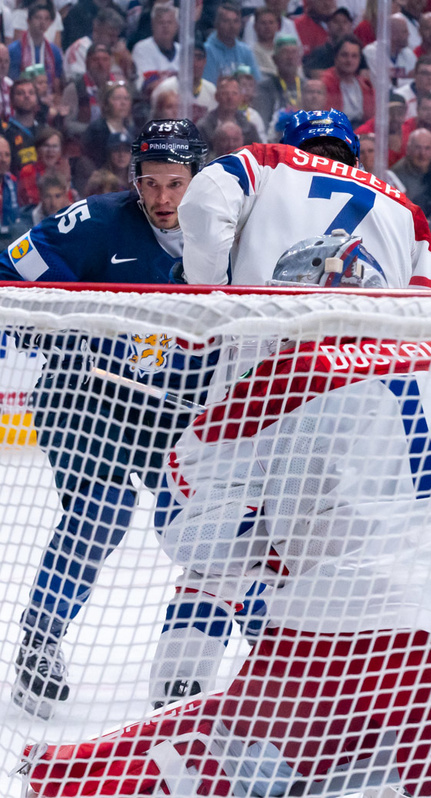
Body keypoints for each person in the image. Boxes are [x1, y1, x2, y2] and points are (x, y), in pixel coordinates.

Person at [17, 234, 431, 798]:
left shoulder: (283, 376)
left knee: (230, 759)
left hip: (336, 626)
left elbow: (197, 545)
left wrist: (260, 540)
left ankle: (66, 776)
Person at [0, 119, 215, 720]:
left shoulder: (225, 235)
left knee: (209, 520)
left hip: (161, 409)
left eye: (177, 184)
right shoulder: (100, 219)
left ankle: (235, 658)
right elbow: (16, 261)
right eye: (151, 184)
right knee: (102, 510)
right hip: (79, 398)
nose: (164, 200)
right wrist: (92, 319)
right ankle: (39, 642)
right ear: (135, 181)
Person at [179, 108, 431, 290]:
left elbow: (204, 201)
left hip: (265, 355)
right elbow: (426, 312)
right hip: (365, 362)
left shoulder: (265, 162)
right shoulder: (405, 209)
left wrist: (211, 297)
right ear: (357, 162)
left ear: (288, 147)